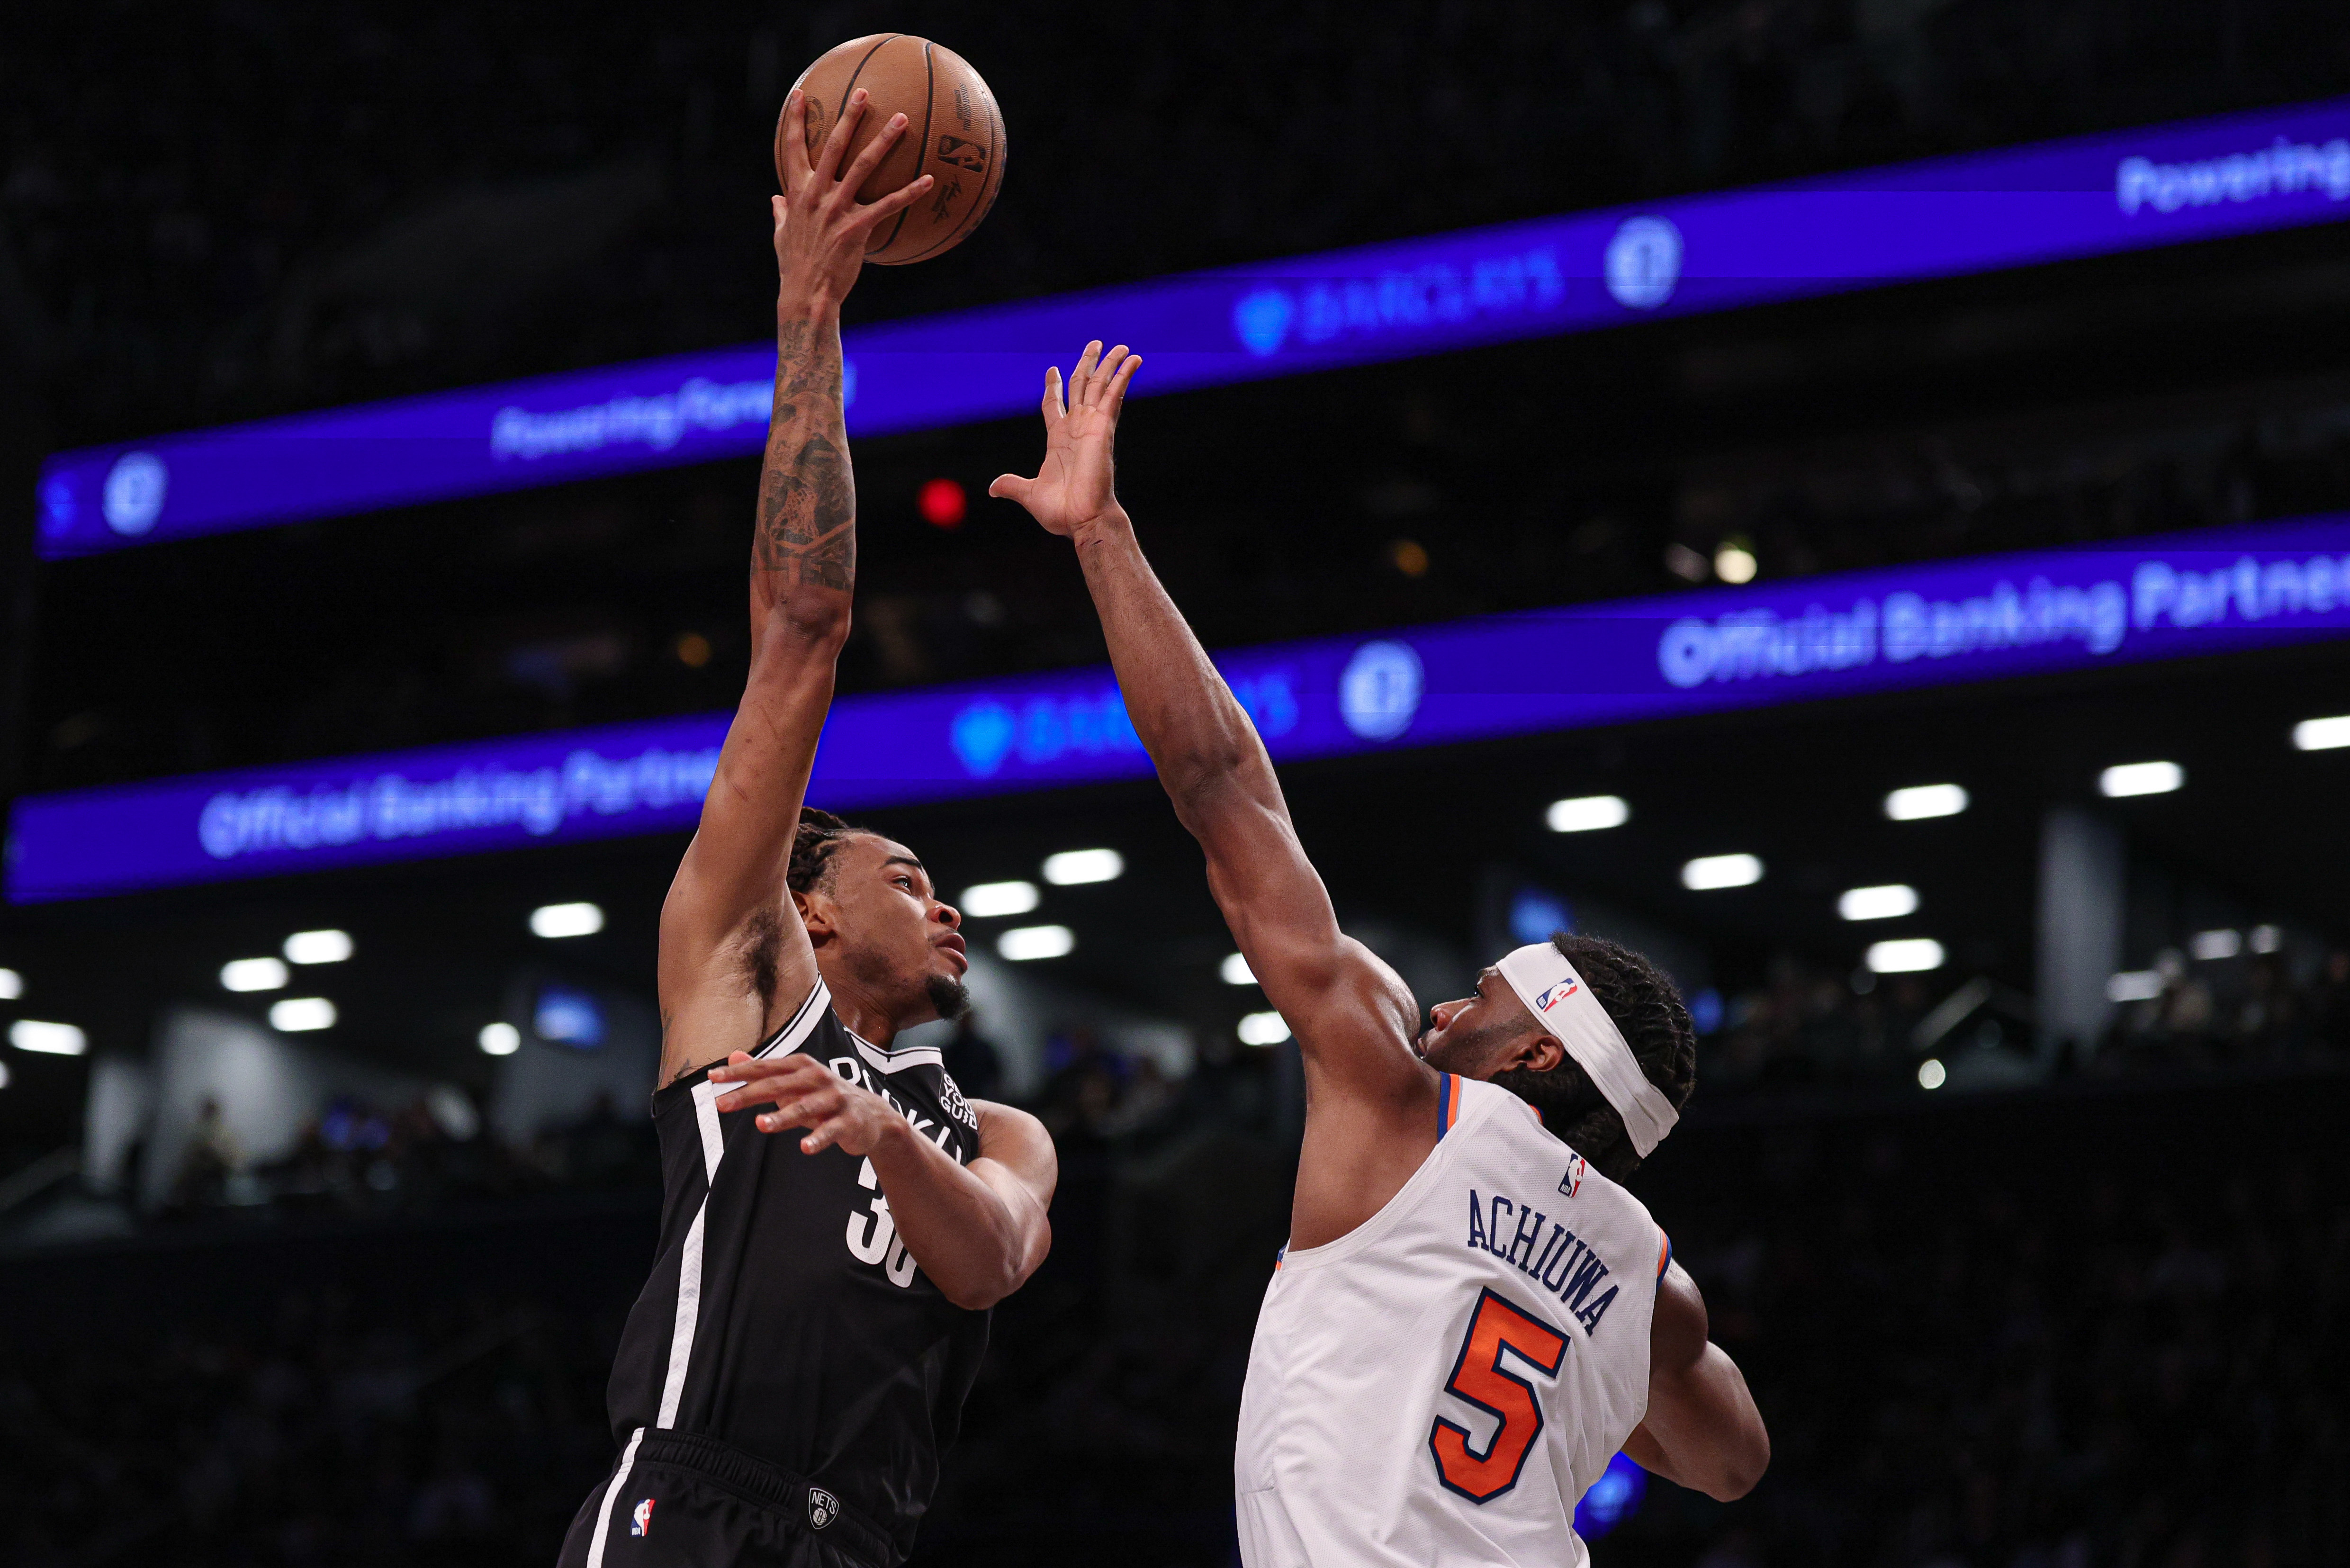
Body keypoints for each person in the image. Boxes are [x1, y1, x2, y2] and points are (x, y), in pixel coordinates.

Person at [990, 343, 1769, 1567]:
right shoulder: (1652, 1283)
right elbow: (1733, 1463)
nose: (1452, 1003)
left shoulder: (1401, 1097)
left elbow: (1218, 784)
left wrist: (1101, 535)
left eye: (1490, 994)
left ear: (1537, 1051)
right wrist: (1583, 1357)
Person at [558, 89, 1057, 1568]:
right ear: (815, 913)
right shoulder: (746, 991)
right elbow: (803, 628)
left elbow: (987, 1265)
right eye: (908, 880)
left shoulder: (1002, 1135)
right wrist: (809, 318)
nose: (948, 907)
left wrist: (888, 1138)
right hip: (691, 1505)